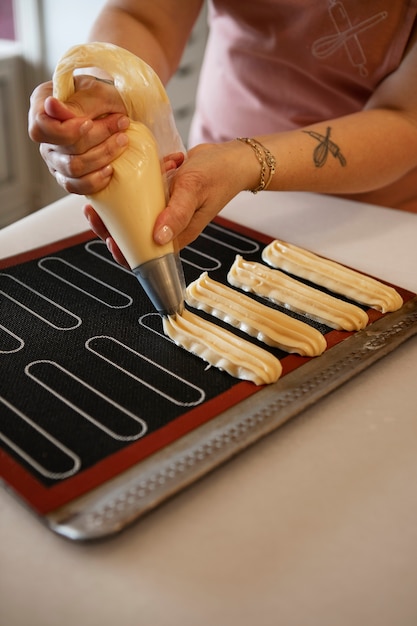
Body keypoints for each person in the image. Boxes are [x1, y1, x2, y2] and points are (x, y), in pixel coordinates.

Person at [28, 0, 417, 267]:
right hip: (211, 187)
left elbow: (406, 118)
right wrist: (104, 90)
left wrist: (245, 161)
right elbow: (145, 16)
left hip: (371, 216)